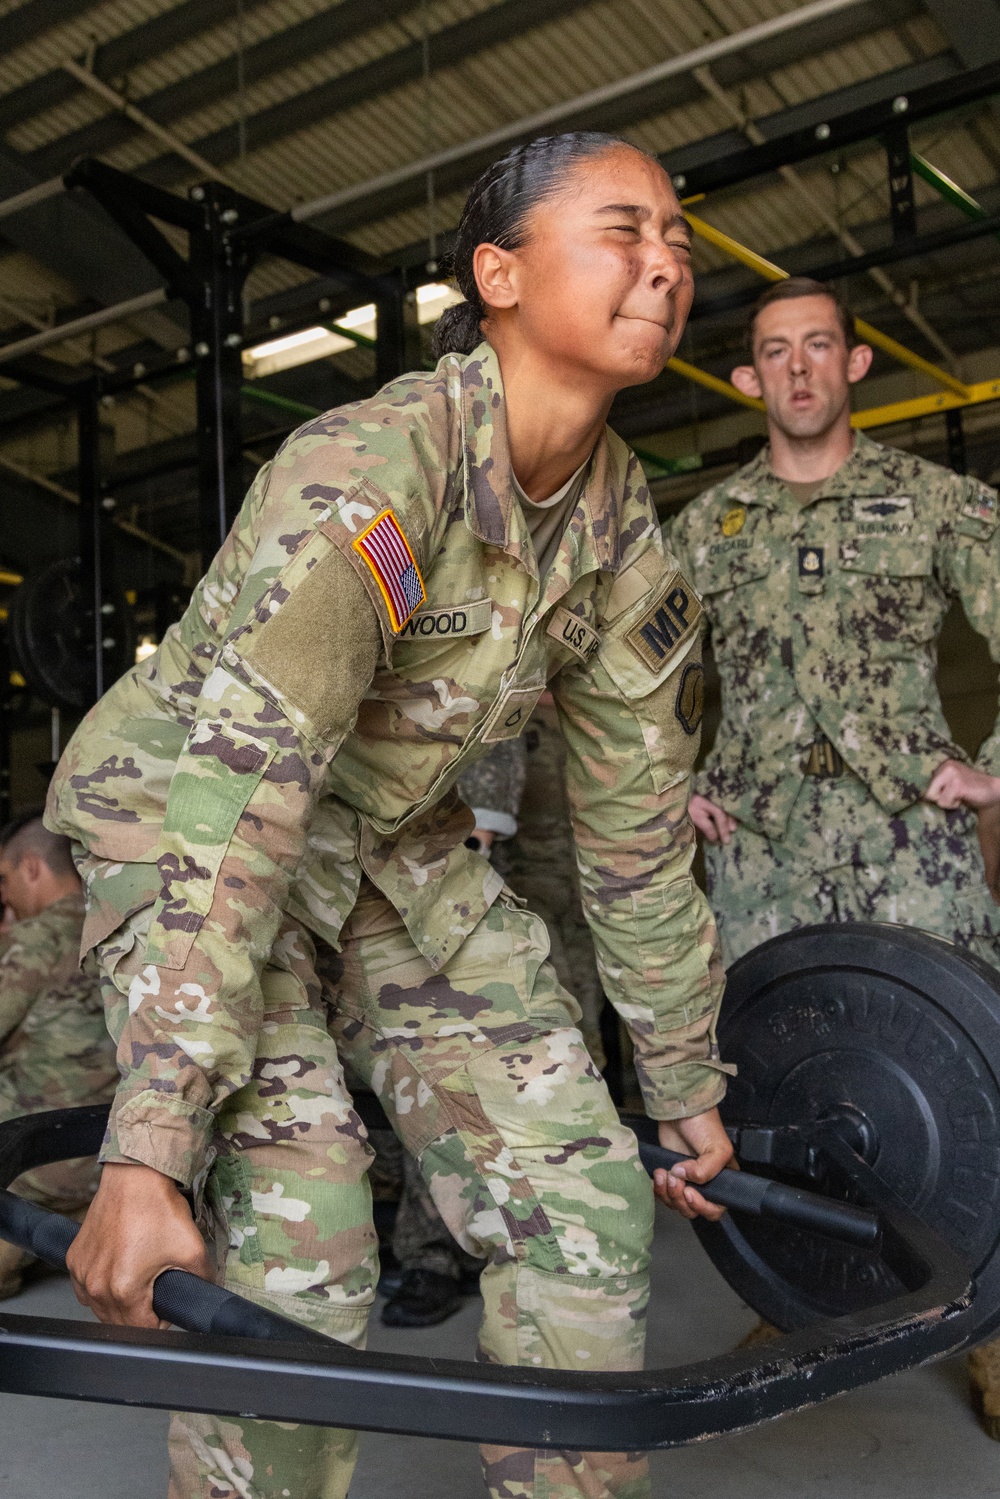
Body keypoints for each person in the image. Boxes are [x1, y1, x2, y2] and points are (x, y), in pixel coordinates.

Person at [47, 130, 732, 1499]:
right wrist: (148, 1147)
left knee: (584, 1195)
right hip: (188, 819)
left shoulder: (615, 530)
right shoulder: (372, 473)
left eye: (677, 237)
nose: (664, 262)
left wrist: (684, 1083)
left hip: (382, 845)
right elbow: (238, 810)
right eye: (620, 229)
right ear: (501, 273)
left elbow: (637, 831)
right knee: (302, 1234)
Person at [668, 274, 1000, 1433]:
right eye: (774, 351)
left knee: (964, 1068)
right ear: (748, 379)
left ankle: (992, 1323)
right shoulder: (704, 530)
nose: (798, 367)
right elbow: (627, 677)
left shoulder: (934, 502)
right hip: (760, 845)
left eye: (819, 345)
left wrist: (994, 764)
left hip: (907, 834)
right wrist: (674, 782)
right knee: (777, 1077)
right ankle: (798, 1297)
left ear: (855, 365)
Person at [0, 811, 118, 1296]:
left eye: (3, 880)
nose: (3, 895)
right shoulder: (118, 928)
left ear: (32, 868)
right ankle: (80, 1232)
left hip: (29, 1169)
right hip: (108, 1167)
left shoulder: (35, 940)